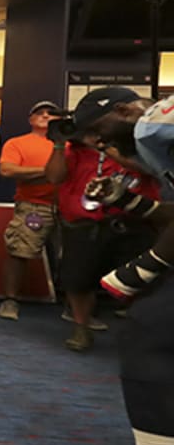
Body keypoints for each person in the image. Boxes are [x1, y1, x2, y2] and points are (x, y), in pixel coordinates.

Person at [61, 89, 174, 445]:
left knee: (152, 329)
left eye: (99, 136)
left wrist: (144, 266)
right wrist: (127, 201)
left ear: (124, 111)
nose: (98, 147)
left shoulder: (159, 123)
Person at [45, 88, 159, 352]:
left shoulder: (139, 143)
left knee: (142, 281)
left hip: (134, 222)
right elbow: (53, 177)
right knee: (78, 280)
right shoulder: (76, 149)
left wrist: (108, 148)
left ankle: (141, 333)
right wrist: (60, 143)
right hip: (84, 224)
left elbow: (151, 171)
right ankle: (81, 328)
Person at [0, 100, 61, 320]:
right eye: (39, 113)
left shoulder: (72, 145)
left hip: (68, 206)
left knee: (75, 256)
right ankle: (10, 300)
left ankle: (75, 308)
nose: (45, 116)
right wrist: (49, 171)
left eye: (51, 113)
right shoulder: (18, 143)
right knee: (19, 252)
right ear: (30, 119)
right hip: (33, 205)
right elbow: (7, 169)